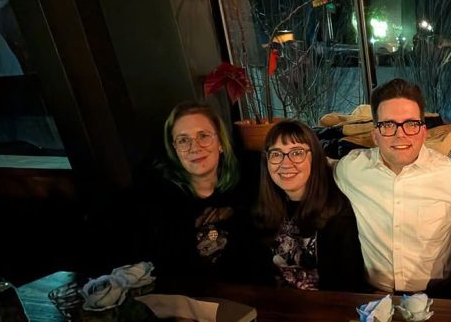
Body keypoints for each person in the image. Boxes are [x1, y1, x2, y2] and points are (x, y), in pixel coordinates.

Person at [336, 78, 451, 294]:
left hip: (438, 297)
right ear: (375, 135)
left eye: (411, 124)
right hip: (374, 296)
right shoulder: (351, 169)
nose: (400, 134)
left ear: (423, 131)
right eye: (388, 125)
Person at [134, 101, 253, 281]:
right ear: (175, 150)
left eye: (203, 136)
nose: (194, 147)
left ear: (220, 142)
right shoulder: (159, 198)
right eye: (183, 140)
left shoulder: (249, 182)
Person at [254, 120, 363, 291]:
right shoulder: (262, 207)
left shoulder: (340, 213)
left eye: (296, 153)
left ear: (315, 157)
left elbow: (346, 287)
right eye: (276, 154)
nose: (285, 163)